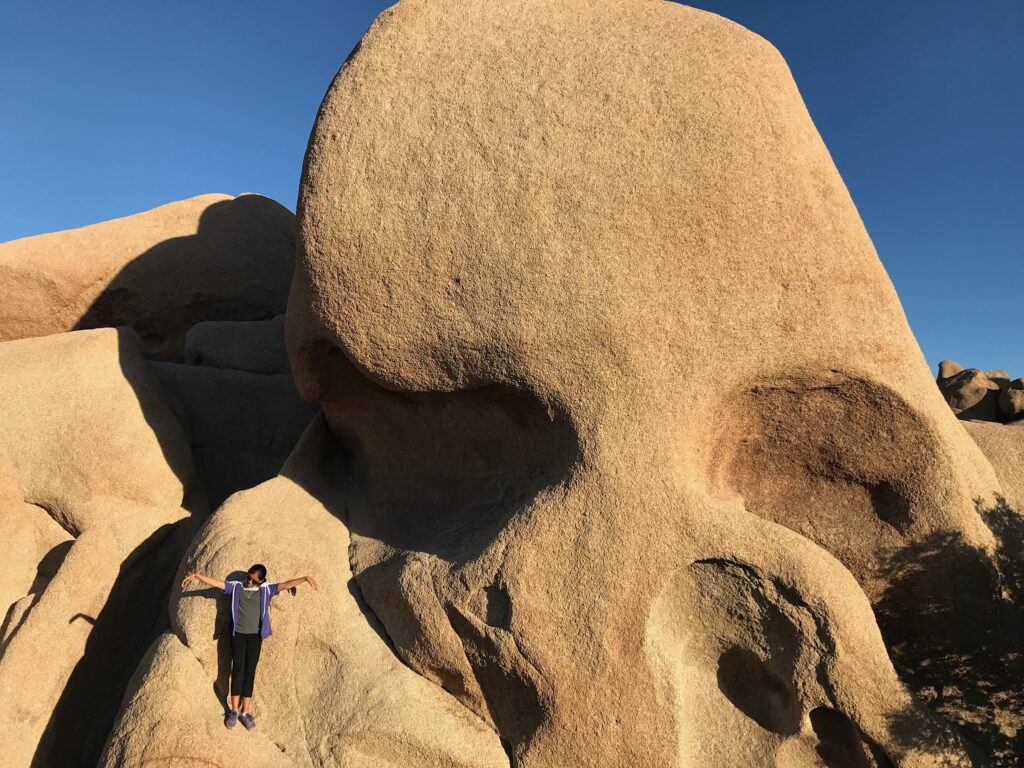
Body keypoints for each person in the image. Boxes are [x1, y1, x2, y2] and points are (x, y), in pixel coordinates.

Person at [180, 564, 318, 730]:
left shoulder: (266, 589)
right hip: (237, 635)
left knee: (250, 673)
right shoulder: (237, 586)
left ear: (261, 581)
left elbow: (286, 584)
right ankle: (233, 711)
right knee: (237, 671)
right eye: (248, 578)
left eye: (254, 580)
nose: (250, 582)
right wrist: (196, 575)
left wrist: (304, 578)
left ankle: (245, 712)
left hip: (255, 637)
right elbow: (217, 584)